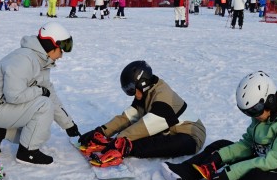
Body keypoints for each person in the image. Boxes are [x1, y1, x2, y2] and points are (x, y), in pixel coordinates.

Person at [0, 22, 81, 165]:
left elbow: (50, 94)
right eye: (61, 50)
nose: (62, 55)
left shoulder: (41, 61)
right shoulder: (23, 60)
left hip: (4, 105)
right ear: (51, 45)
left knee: (40, 133)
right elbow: (14, 95)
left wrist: (69, 125)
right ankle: (27, 153)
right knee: (43, 106)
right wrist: (40, 91)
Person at [77, 60, 207, 166]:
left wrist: (120, 140)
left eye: (132, 89)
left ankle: (123, 148)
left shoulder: (163, 96)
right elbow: (128, 117)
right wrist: (102, 131)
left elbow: (148, 124)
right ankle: (121, 146)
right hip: (169, 129)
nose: (132, 93)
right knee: (136, 136)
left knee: (145, 144)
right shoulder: (145, 92)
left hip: (190, 136)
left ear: (143, 83)